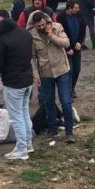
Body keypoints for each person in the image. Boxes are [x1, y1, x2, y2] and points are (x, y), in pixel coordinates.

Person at [0, 9, 35, 160]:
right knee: (24, 113)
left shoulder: (2, 39)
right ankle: (28, 143)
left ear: (1, 20)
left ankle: (21, 148)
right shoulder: (25, 33)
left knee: (16, 117)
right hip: (27, 79)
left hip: (13, 82)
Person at [27, 11, 75, 143]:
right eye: (39, 26)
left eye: (43, 24)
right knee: (48, 102)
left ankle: (69, 131)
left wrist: (52, 36)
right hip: (45, 72)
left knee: (65, 101)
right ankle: (52, 128)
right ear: (35, 25)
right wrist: (35, 75)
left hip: (61, 70)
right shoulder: (32, 35)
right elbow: (32, 57)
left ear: (47, 21)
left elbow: (66, 43)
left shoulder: (57, 27)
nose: (42, 27)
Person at [56, 0, 86, 98]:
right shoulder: (61, 18)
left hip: (77, 48)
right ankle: (67, 93)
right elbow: (61, 34)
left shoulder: (79, 15)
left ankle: (72, 88)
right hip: (67, 50)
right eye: (76, 8)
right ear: (69, 8)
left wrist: (80, 42)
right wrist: (68, 48)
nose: (78, 9)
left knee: (77, 70)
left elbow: (83, 30)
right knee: (69, 71)